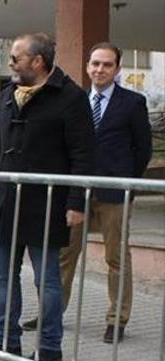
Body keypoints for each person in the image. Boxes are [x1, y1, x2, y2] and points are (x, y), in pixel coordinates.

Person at [0, 33, 96, 361]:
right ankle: (6, 339)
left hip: (48, 204)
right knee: (2, 274)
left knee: (47, 279)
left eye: (15, 58)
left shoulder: (70, 97)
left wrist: (76, 202)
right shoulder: (8, 94)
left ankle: (50, 347)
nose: (10, 63)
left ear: (37, 62)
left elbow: (83, 154)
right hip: (7, 200)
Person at [52, 42, 152, 344]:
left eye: (107, 65)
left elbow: (143, 150)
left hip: (114, 192)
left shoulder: (133, 103)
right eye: (95, 63)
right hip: (77, 192)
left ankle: (116, 320)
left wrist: (126, 182)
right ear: (87, 66)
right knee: (64, 255)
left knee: (116, 258)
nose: (100, 69)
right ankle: (52, 313)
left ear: (117, 69)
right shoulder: (76, 101)